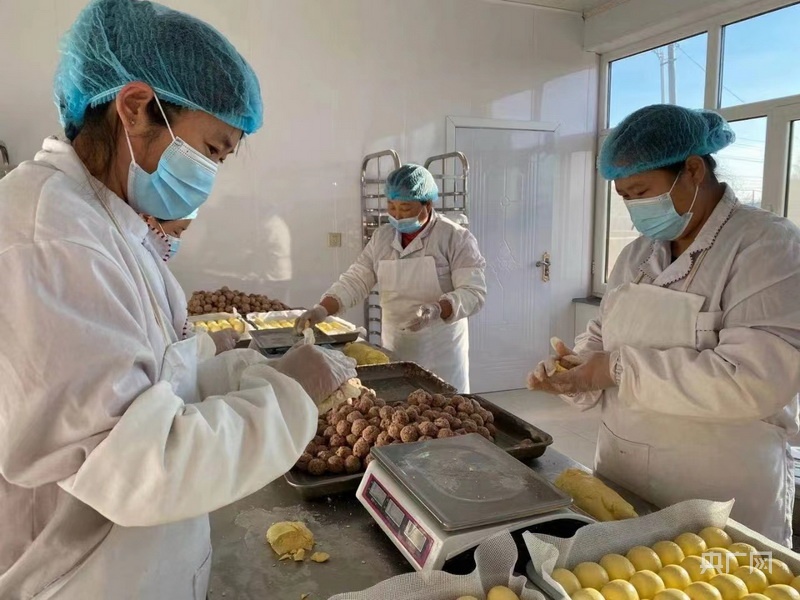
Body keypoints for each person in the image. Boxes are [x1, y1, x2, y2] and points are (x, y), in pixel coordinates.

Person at [0, 0, 356, 597]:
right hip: (83, 581)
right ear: (136, 107)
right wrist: (288, 394)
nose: (211, 175)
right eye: (212, 150)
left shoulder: (110, 228)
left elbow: (157, 385)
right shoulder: (51, 240)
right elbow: (138, 468)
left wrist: (248, 370)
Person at [528, 104, 800, 546]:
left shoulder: (766, 246)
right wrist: (574, 372)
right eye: (625, 197)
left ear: (693, 170)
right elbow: (602, 335)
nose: (635, 207)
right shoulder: (639, 254)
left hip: (720, 492)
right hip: (624, 478)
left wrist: (616, 369)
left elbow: (754, 380)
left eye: (641, 191)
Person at [298, 164, 487, 392]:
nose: (397, 215)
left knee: (443, 405)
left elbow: (473, 292)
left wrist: (438, 309)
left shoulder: (454, 237)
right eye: (391, 206)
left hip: (441, 352)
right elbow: (356, 280)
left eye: (405, 208)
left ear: (427, 204)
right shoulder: (383, 237)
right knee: (399, 403)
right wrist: (322, 309)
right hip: (395, 346)